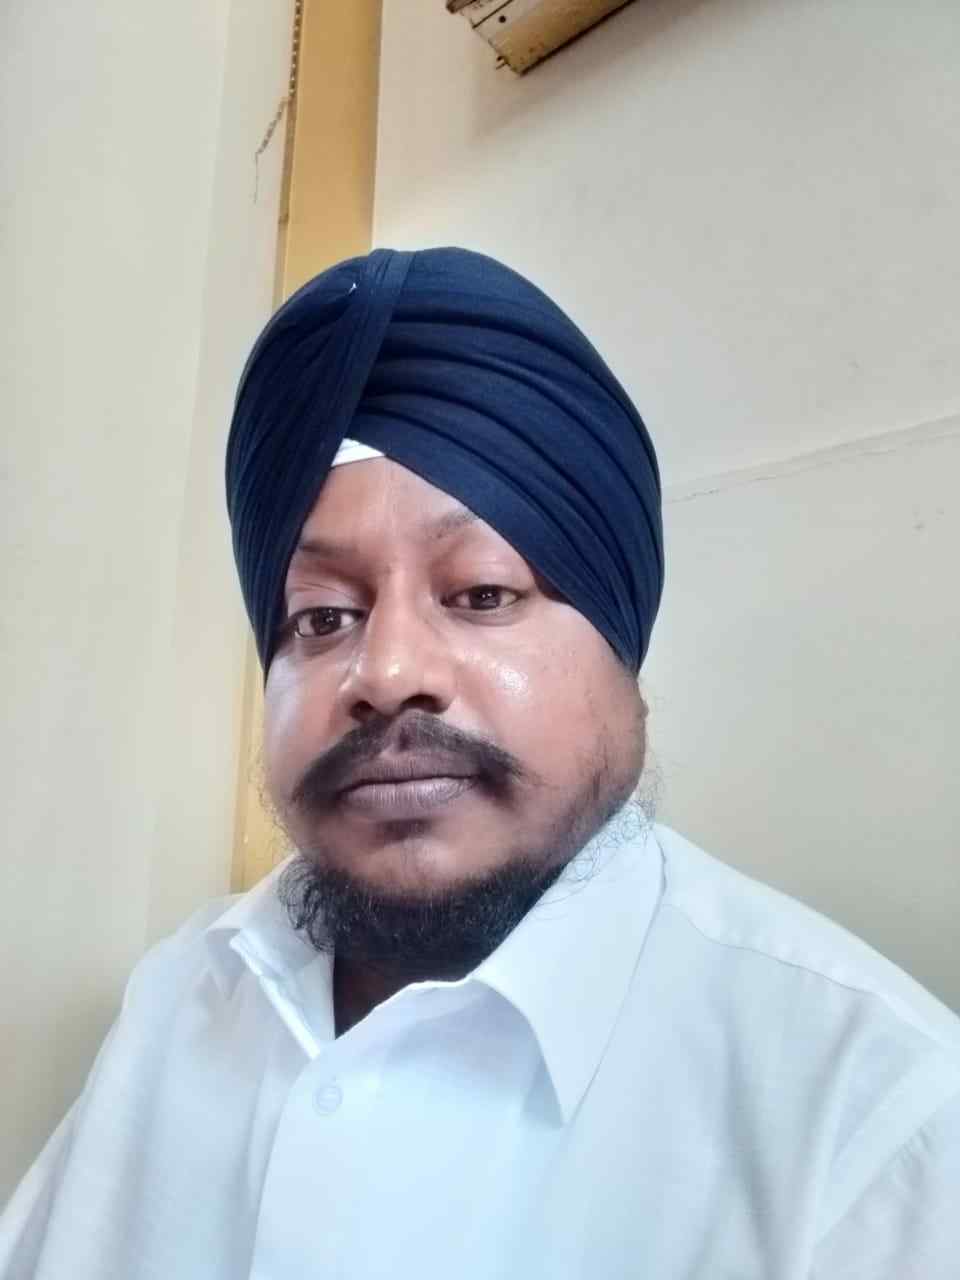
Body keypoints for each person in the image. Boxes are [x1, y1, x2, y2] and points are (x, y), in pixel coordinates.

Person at [1, 247, 958, 1279]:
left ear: (625, 645)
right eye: (321, 616)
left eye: (483, 594)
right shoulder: (184, 996)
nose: (387, 673)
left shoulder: (872, 1112)